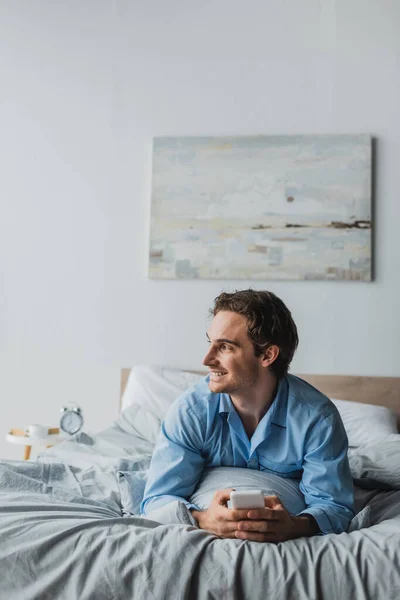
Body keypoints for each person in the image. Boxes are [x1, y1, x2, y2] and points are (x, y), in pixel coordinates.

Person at [140, 289, 354, 542]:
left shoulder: (317, 419)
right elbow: (156, 499)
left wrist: (295, 526)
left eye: (225, 347)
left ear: (267, 355)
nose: (207, 359)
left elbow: (335, 507)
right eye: (210, 343)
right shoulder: (190, 412)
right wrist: (203, 519)